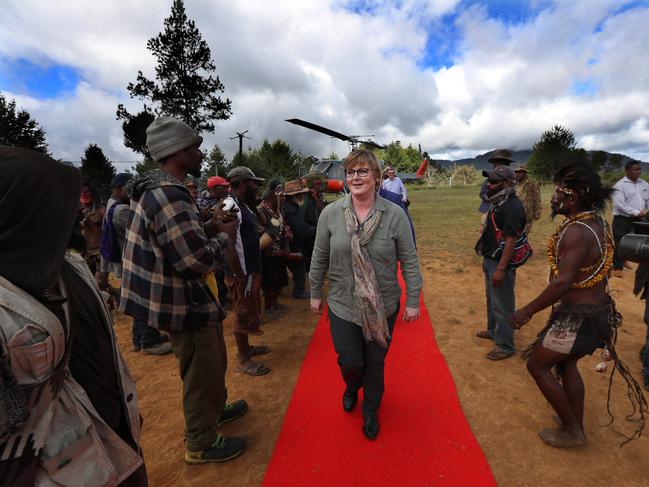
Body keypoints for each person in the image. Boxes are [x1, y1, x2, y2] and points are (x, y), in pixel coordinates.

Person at [0, 146, 147, 486]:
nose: (79, 217)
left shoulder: (72, 268)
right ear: (26, 216)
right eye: (62, 208)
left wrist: (126, 413)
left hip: (114, 443)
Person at [120, 116, 248, 464]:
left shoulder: (157, 190)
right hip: (184, 303)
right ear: (177, 152)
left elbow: (174, 237)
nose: (200, 152)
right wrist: (226, 235)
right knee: (200, 370)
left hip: (185, 299)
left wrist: (207, 224)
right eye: (194, 147)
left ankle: (215, 409)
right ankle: (202, 442)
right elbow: (194, 260)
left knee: (213, 360)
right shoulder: (168, 194)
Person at [510, 163, 646, 448]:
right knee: (567, 363)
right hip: (594, 310)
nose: (552, 196)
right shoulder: (595, 223)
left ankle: (573, 431)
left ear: (572, 198)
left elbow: (563, 283)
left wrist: (527, 310)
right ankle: (573, 420)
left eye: (558, 191)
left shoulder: (576, 233)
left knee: (538, 365)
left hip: (575, 319)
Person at [309, 150, 423, 440]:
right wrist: (314, 293)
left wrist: (412, 301)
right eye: (350, 172)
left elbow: (409, 260)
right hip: (342, 302)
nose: (355, 177)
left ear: (376, 176)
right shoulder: (330, 214)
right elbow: (319, 256)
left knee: (375, 362)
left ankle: (371, 408)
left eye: (362, 172)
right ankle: (351, 387)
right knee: (350, 362)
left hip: (382, 305)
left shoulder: (395, 214)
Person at [99, 173, 172, 355]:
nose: (132, 193)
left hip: (126, 259)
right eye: (129, 189)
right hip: (133, 260)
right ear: (119, 189)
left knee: (140, 298)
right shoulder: (121, 211)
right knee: (145, 299)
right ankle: (148, 341)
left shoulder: (112, 206)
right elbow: (141, 229)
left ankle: (139, 338)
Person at [223, 166, 272, 376]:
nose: (256, 187)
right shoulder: (229, 206)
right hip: (241, 274)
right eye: (253, 183)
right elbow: (227, 245)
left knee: (249, 310)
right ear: (243, 183)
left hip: (249, 272)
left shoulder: (244, 205)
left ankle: (247, 348)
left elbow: (261, 223)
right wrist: (239, 276)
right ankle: (243, 359)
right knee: (242, 313)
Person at [474, 164, 526, 360]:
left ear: (507, 183)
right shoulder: (499, 201)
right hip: (491, 258)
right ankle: (494, 331)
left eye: (494, 181)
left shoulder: (512, 206)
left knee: (502, 304)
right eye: (489, 180)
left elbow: (511, 239)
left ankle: (505, 345)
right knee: (492, 299)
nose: (489, 184)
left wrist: (501, 269)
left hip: (500, 262)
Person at [257, 178, 290, 317]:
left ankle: (275, 303)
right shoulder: (261, 211)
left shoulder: (280, 210)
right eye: (280, 194)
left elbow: (284, 228)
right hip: (267, 254)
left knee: (281, 280)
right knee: (270, 283)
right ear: (272, 194)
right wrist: (269, 248)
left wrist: (286, 242)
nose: (283, 197)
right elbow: (258, 231)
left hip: (279, 252)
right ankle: (269, 308)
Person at [612, 160, 649, 277]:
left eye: (639, 169)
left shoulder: (645, 184)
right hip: (622, 219)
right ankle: (617, 267)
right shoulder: (619, 186)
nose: (638, 172)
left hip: (640, 218)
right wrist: (637, 212)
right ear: (627, 171)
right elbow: (620, 205)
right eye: (635, 169)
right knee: (620, 242)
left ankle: (626, 258)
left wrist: (646, 211)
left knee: (638, 241)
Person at [284, 179, 316, 299]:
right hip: (290, 244)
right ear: (295, 195)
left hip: (289, 242)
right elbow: (300, 228)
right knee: (299, 264)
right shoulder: (291, 209)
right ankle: (299, 292)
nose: (302, 196)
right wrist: (317, 230)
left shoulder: (289, 205)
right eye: (300, 194)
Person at [478, 149, 515, 228]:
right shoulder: (489, 179)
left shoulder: (512, 180)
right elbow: (482, 193)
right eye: (498, 163)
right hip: (489, 209)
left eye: (504, 163)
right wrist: (491, 198)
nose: (500, 165)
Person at [79, 182, 105, 275]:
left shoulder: (101, 211)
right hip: (81, 256)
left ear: (92, 193)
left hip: (100, 256)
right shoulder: (74, 212)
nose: (83, 194)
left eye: (86, 192)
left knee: (99, 284)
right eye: (81, 192)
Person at [514, 164, 542, 235]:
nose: (517, 174)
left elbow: (537, 198)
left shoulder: (532, 183)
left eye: (520, 172)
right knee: (514, 235)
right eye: (516, 172)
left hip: (527, 214)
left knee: (523, 235)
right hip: (515, 214)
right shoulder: (514, 184)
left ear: (525, 173)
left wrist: (537, 212)